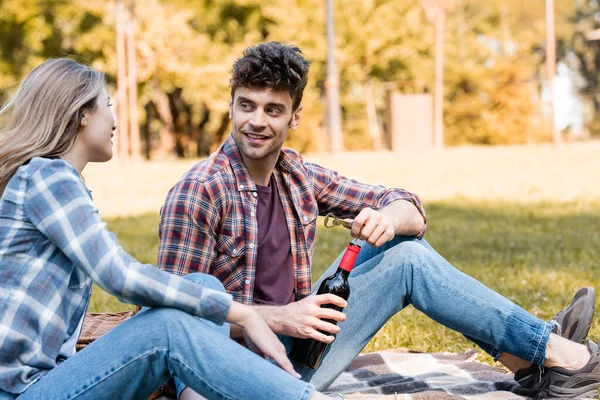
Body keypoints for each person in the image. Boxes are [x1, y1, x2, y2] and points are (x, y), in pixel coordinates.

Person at [158, 41, 600, 399]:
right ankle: (564, 358)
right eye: (246, 106)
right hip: (232, 378)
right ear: (231, 107)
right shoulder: (199, 192)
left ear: (294, 117)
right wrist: (279, 318)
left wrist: (388, 219)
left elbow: (407, 203)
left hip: (299, 350)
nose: (256, 121)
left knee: (400, 247)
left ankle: (533, 362)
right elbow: (170, 320)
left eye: (272, 110)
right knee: (407, 260)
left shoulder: (296, 175)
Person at [0, 58, 334, 400]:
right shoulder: (47, 177)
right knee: (168, 328)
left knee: (200, 286)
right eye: (108, 105)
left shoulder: (52, 180)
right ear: (82, 114)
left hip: (46, 382)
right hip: (20, 391)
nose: (114, 119)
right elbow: (119, 276)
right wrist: (243, 313)